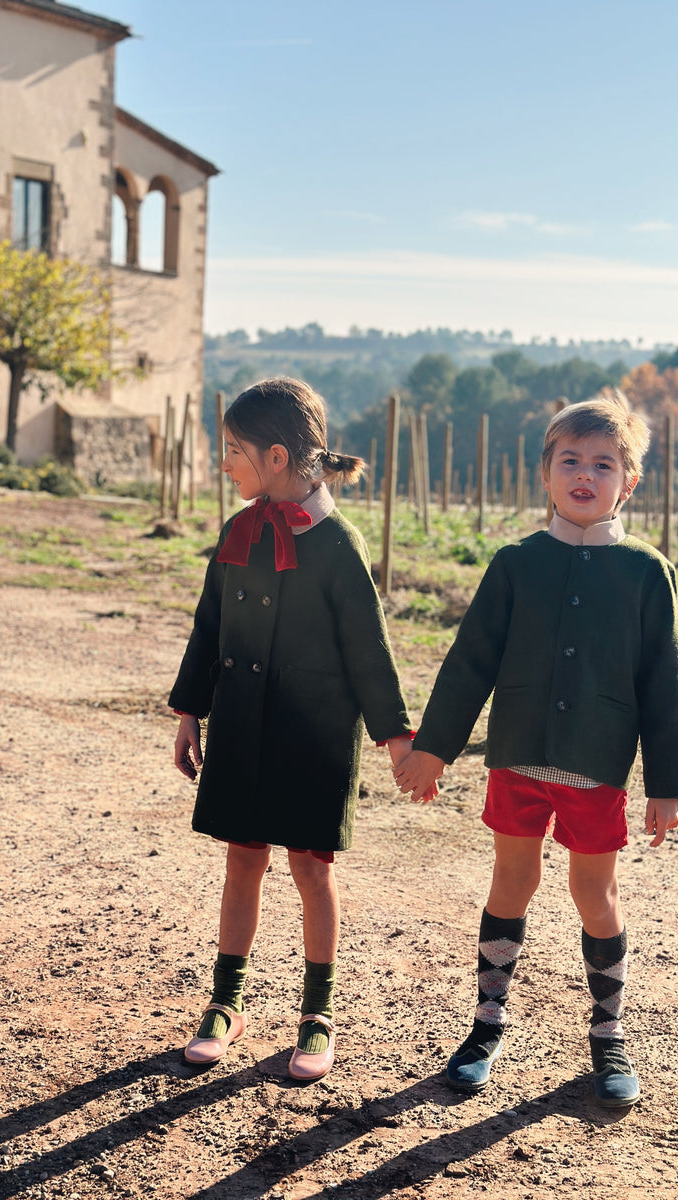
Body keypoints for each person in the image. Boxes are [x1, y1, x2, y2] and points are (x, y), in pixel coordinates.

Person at [394, 390, 678, 1107]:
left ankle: (609, 1034)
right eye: (570, 460)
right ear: (546, 472)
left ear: (630, 481)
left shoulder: (647, 573)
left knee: (595, 894)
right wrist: (434, 748)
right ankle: (487, 1023)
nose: (584, 475)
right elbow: (470, 663)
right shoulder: (515, 563)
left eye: (603, 464)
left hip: (599, 768)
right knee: (511, 883)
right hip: (518, 757)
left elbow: (664, 684)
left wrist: (667, 783)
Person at [170, 377, 415, 1082]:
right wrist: (190, 711)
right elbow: (208, 626)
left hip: (314, 737)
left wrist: (395, 735)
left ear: (276, 457)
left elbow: (370, 647)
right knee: (242, 861)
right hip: (244, 729)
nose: (225, 465)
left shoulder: (337, 543)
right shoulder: (237, 531)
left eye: (233, 452)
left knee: (311, 869)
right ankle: (226, 1002)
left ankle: (317, 1013)